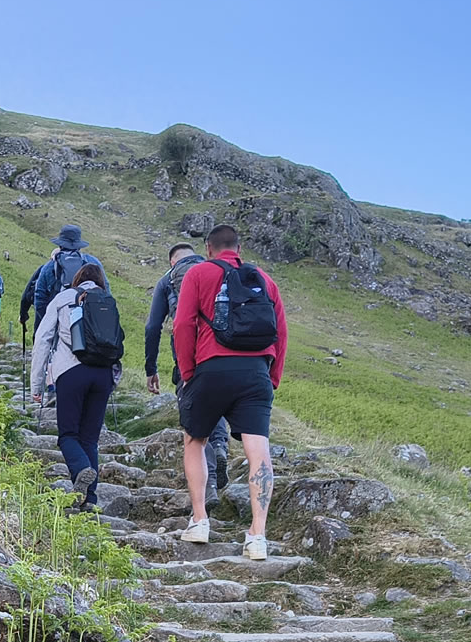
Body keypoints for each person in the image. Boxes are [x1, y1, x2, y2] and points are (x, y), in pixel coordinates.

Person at [170, 224, 287, 561]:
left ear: (208, 247)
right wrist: (272, 376)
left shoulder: (199, 274)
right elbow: (281, 331)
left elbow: (182, 324)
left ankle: (200, 520)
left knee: (195, 441)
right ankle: (258, 536)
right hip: (255, 374)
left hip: (211, 368)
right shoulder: (264, 280)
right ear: (240, 246)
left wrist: (188, 372)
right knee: (258, 451)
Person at [30, 258, 123, 512]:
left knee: (68, 436)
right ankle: (89, 499)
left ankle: (82, 470)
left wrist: (37, 385)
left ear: (76, 279)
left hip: (70, 372)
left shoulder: (63, 298)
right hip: (102, 375)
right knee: (90, 439)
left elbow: (43, 340)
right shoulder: (107, 301)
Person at [143, 241, 232, 506]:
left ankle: (209, 488)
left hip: (187, 355)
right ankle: (220, 446)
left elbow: (152, 327)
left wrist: (151, 368)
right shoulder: (217, 271)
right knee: (215, 402)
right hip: (221, 350)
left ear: (172, 261)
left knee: (196, 418)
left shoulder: (167, 280)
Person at [26, 225, 101, 332]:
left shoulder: (50, 266)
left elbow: (39, 298)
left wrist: (48, 322)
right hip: (89, 325)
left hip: (59, 325)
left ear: (60, 245)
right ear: (79, 246)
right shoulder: (94, 263)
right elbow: (105, 292)